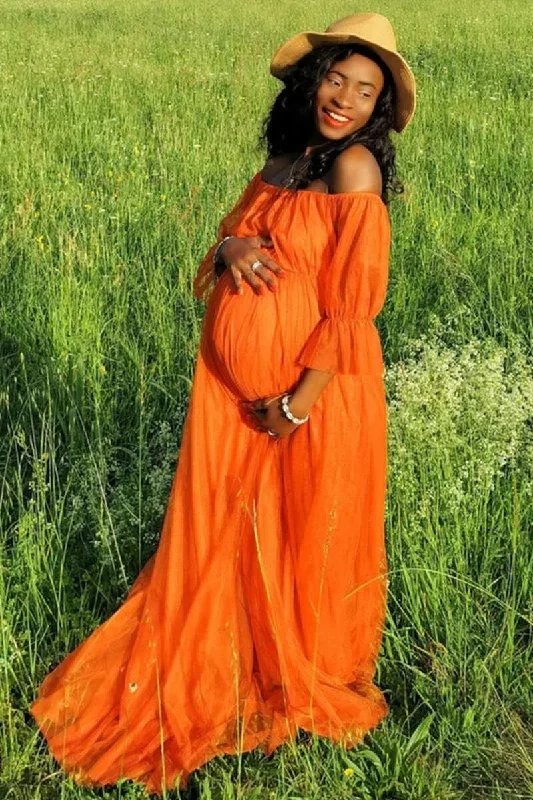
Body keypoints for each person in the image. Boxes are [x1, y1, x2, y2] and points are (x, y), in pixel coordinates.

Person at [29, 12, 416, 796]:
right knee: (227, 534)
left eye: (364, 89)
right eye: (335, 79)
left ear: (378, 109)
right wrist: (231, 247)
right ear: (312, 83)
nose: (343, 97)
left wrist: (300, 403)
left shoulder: (353, 175)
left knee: (299, 531)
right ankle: (233, 653)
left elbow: (350, 310)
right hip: (228, 398)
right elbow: (232, 237)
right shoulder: (286, 160)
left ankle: (288, 671)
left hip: (309, 394)